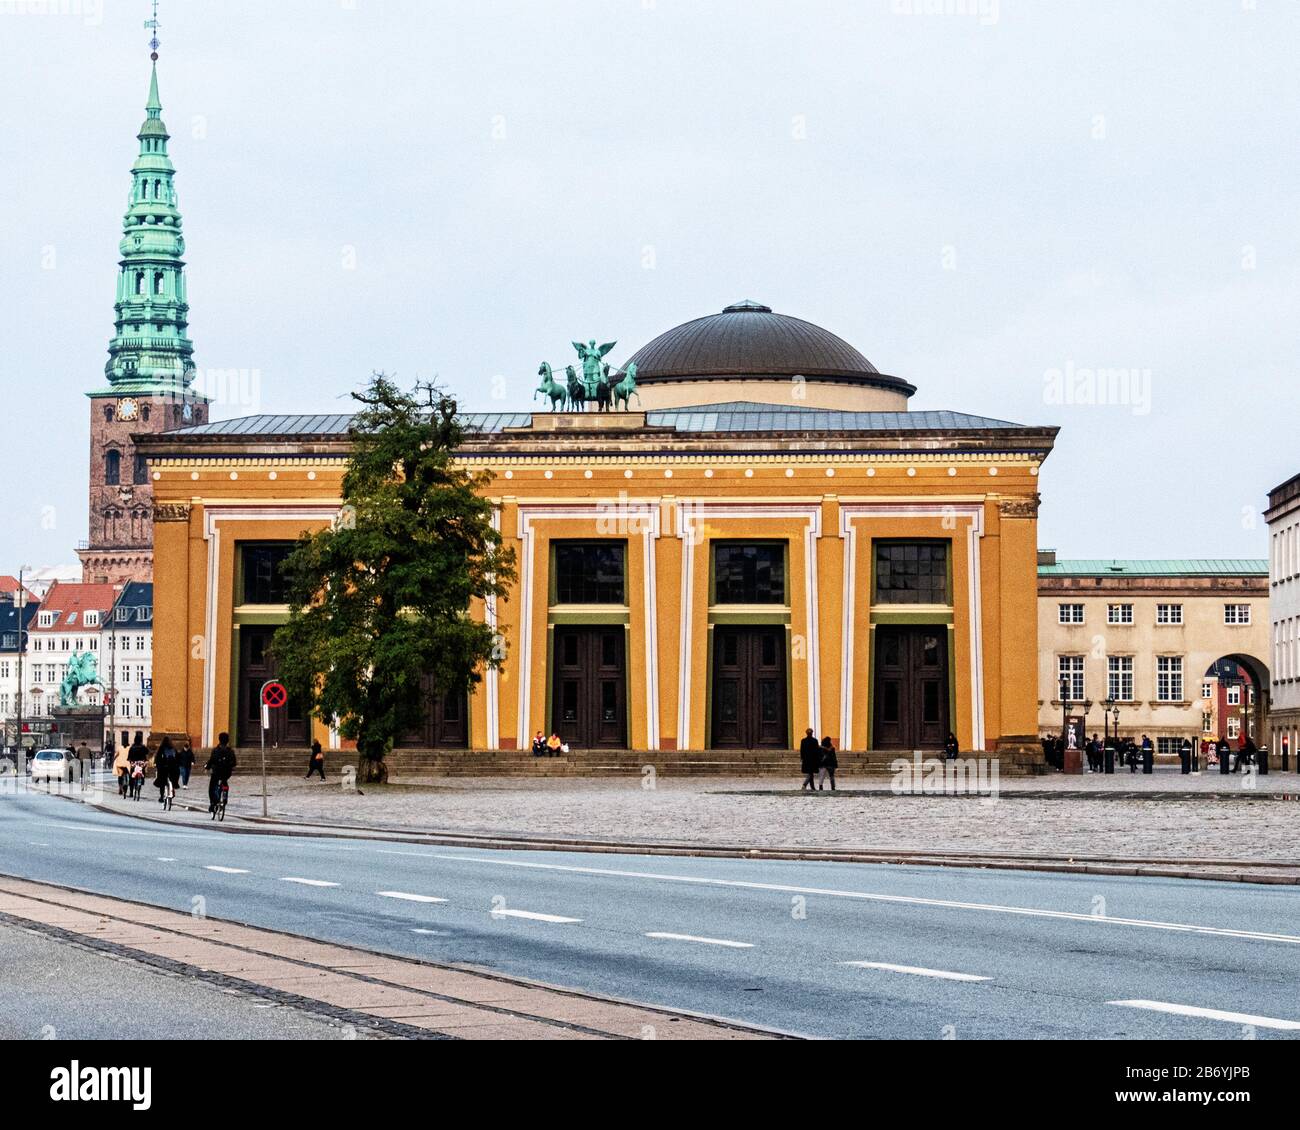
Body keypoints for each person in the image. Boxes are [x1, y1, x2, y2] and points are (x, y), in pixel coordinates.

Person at [205, 732, 237, 813]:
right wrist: (231, 766)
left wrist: (207, 767)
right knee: (224, 782)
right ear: (227, 741)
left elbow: (211, 760)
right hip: (226, 772)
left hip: (217, 772)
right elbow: (234, 762)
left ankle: (213, 803)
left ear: (219, 740)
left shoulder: (215, 750)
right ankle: (225, 795)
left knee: (212, 788)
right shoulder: (230, 751)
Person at [154, 737, 180, 805]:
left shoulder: (161, 748)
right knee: (173, 778)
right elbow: (178, 757)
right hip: (173, 768)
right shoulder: (173, 748)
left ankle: (162, 796)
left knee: (162, 781)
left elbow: (158, 757)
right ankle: (173, 788)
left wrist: (157, 764)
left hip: (164, 768)